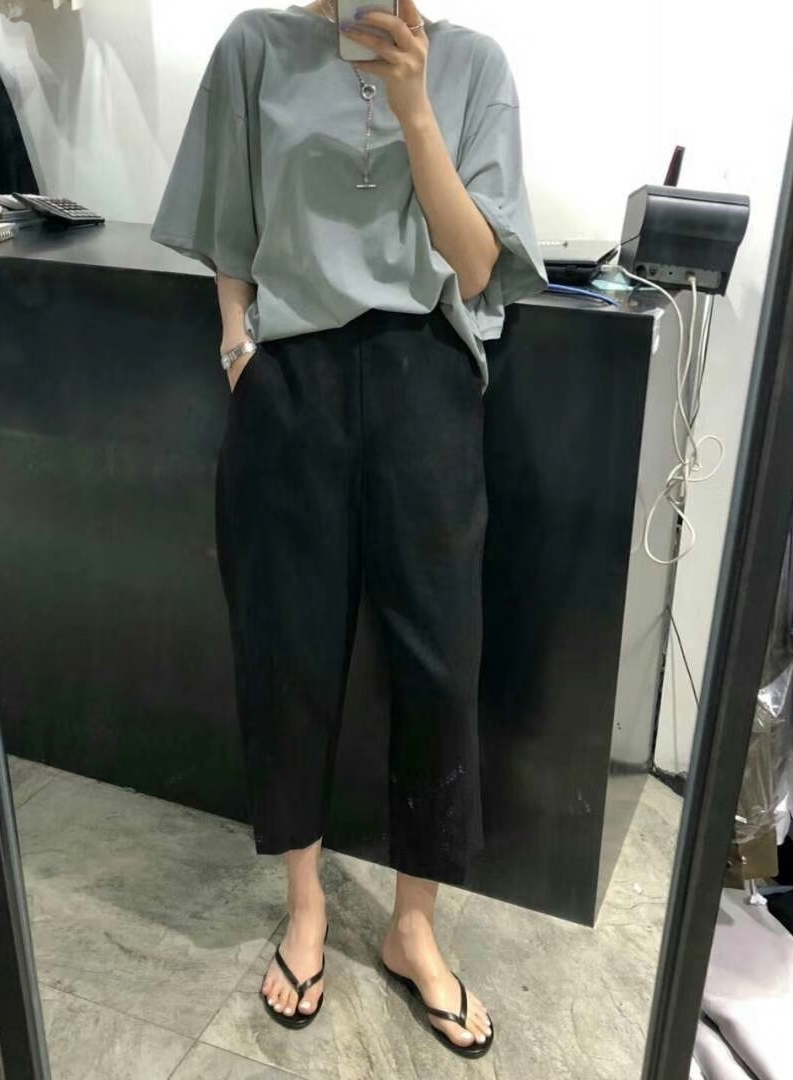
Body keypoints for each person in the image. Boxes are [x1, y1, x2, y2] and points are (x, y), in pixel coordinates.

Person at [151, 0, 545, 1058]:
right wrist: (237, 346)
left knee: (439, 661)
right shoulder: (256, 47)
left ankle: (414, 926)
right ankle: (307, 903)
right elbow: (228, 224)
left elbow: (475, 268)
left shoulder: (473, 67)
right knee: (286, 649)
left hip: (426, 379)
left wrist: (414, 105)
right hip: (289, 385)